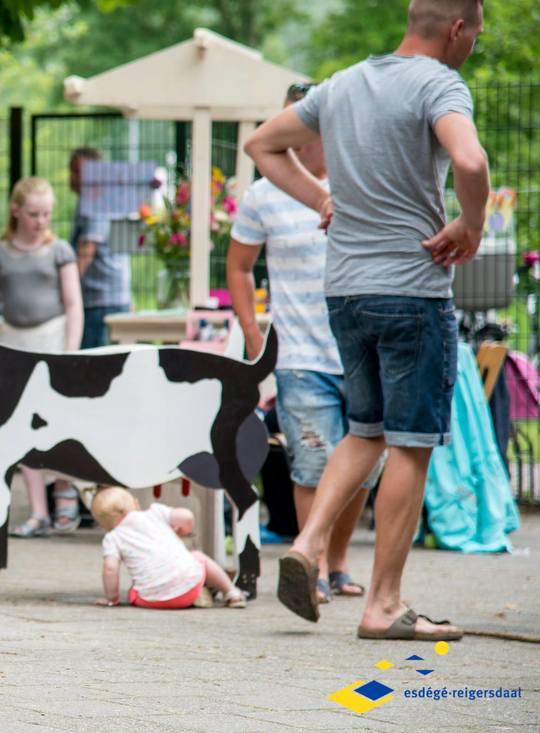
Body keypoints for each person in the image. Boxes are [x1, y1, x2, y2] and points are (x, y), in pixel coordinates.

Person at [245, 0, 489, 640]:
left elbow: (262, 144)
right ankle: (383, 605)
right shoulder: (440, 82)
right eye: (476, 36)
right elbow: (470, 162)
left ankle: (308, 545)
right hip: (411, 290)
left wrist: (323, 199)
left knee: (365, 429)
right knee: (410, 442)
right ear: (457, 28)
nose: (472, 48)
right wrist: (472, 223)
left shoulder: (342, 83)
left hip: (345, 293)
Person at [227, 84, 383, 604]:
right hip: (299, 356)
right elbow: (240, 266)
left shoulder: (358, 182)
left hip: (360, 350)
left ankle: (337, 564)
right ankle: (310, 567)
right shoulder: (262, 194)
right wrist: (253, 332)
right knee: (312, 464)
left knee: (361, 471)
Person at [0, 177, 83, 537]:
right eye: (34, 214)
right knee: (24, 427)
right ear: (16, 211)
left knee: (60, 421)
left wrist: (71, 351)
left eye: (47, 214)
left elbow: (73, 304)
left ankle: (66, 493)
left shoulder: (60, 251)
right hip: (14, 344)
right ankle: (38, 511)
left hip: (51, 340)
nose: (41, 221)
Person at [91, 488, 246, 609]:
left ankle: (180, 592)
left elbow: (110, 569)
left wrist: (112, 599)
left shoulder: (113, 537)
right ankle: (231, 592)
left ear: (103, 525)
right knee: (198, 557)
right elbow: (187, 516)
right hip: (189, 589)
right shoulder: (155, 512)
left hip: (151, 600)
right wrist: (184, 529)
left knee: (135, 589)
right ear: (136, 504)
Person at [68, 148, 132, 349]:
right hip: (114, 295)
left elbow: (87, 249)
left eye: (79, 172)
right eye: (73, 171)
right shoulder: (110, 197)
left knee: (93, 367)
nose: (74, 178)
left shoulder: (96, 201)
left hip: (100, 301)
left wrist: (65, 288)